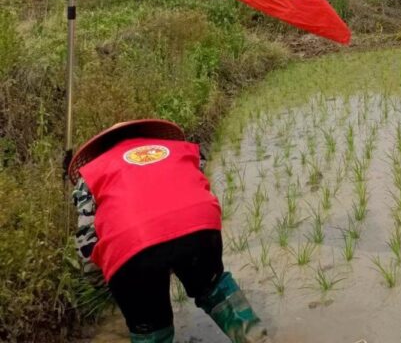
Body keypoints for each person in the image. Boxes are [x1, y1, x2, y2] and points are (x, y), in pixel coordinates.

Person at [68, 119, 267, 343]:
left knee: (152, 328)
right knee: (214, 288)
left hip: (132, 247)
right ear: (148, 136)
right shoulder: (179, 149)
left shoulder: (90, 176)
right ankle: (257, 338)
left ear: (102, 149)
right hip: (199, 225)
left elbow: (87, 250)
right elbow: (194, 189)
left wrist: (112, 286)